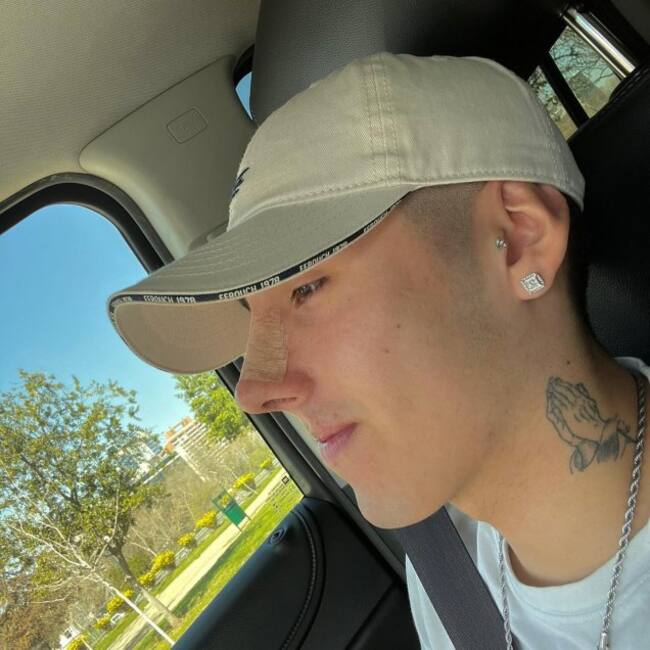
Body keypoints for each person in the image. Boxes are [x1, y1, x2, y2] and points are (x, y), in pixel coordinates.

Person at [107, 52, 650, 648]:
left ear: (519, 239)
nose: (255, 391)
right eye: (250, 318)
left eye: (306, 287)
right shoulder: (446, 577)